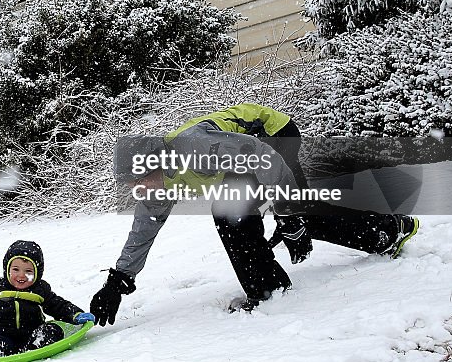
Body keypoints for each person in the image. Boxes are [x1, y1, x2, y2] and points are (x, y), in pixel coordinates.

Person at [92, 103, 420, 317]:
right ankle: (386, 232)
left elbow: (265, 158)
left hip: (274, 136)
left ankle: (269, 291)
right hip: (250, 157)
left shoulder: (194, 148)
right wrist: (117, 281)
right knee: (278, 212)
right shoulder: (158, 186)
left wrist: (287, 215)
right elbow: (143, 230)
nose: (140, 189)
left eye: (140, 179)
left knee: (234, 212)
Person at [0, 240, 95, 357]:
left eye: (28, 271)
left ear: (37, 273)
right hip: (3, 338)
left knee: (53, 330)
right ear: (7, 269)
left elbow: (58, 306)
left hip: (34, 335)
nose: (21, 276)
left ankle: (37, 344)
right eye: (16, 269)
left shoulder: (40, 290)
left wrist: (76, 314)